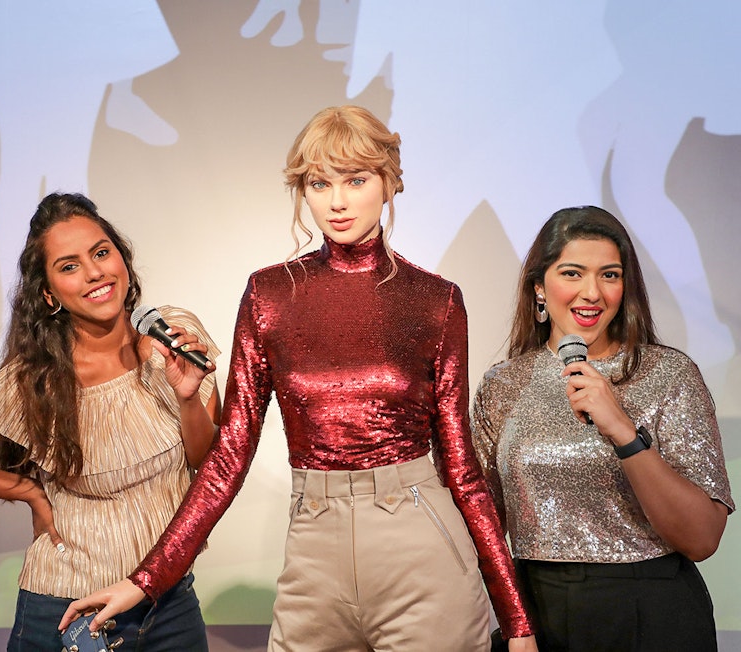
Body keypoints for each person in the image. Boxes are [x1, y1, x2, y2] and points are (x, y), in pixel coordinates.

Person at [60, 106, 537, 651]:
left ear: (388, 183)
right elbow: (229, 456)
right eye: (319, 183)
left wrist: (516, 621)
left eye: (355, 180)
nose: (337, 202)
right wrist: (145, 580)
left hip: (421, 550)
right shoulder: (269, 296)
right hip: (314, 549)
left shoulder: (435, 300)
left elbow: (461, 466)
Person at [0, 192, 220, 651]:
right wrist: (25, 490)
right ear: (49, 294)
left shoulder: (174, 334)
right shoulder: (34, 381)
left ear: (122, 259)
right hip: (68, 613)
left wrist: (187, 399)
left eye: (101, 253)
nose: (94, 272)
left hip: (170, 604)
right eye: (69, 266)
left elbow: (206, 462)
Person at [471, 205, 734, 651]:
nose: (592, 293)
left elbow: (702, 538)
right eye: (572, 273)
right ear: (539, 288)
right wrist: (515, 624)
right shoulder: (504, 384)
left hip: (651, 611)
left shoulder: (668, 374)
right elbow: (482, 525)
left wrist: (624, 432)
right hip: (539, 611)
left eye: (609, 275)